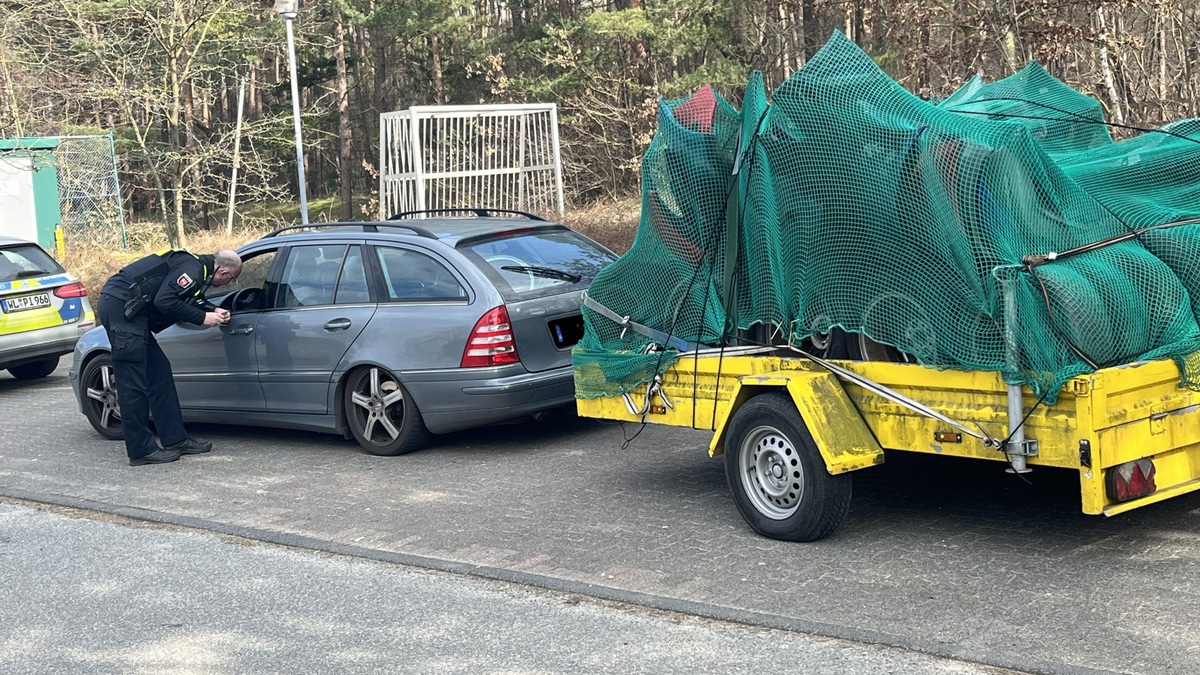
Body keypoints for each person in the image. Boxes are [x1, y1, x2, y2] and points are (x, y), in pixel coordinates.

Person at [96, 249, 243, 466]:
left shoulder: (197, 271)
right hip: (122, 308)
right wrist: (203, 318)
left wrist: (214, 310)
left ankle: (175, 439)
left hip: (132, 311)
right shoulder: (192, 270)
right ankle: (140, 451)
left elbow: (186, 299)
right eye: (232, 278)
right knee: (133, 382)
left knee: (159, 374)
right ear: (222, 271)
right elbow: (164, 301)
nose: (228, 283)